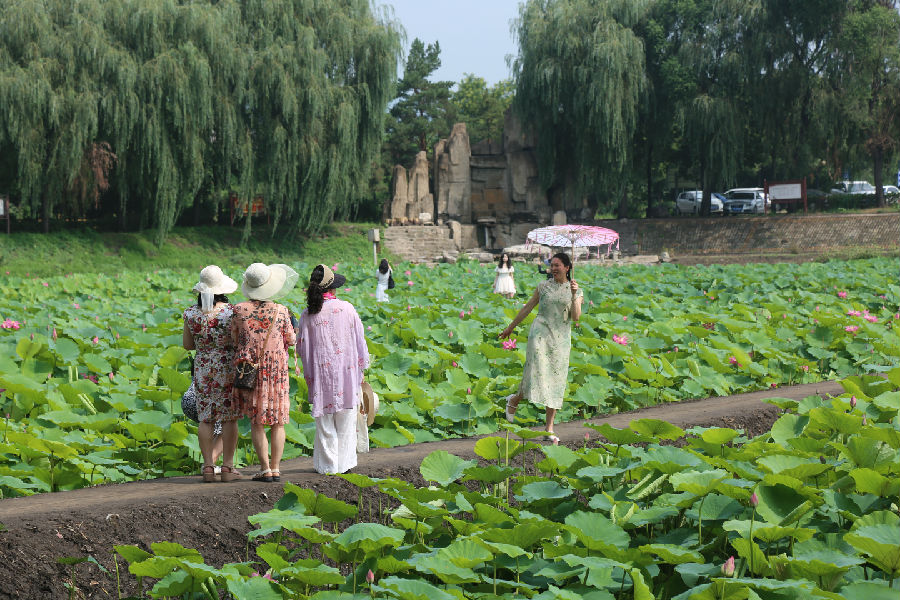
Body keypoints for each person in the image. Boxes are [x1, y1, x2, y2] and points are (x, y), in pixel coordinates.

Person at [499, 252, 583, 445]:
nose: (553, 268)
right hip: (540, 333)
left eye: (557, 265)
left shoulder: (576, 291)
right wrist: (510, 328)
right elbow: (527, 308)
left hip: (561, 338)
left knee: (556, 379)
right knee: (534, 371)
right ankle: (516, 399)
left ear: (567, 268)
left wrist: (573, 294)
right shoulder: (543, 287)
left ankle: (549, 429)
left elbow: (576, 317)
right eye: (552, 265)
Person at [298, 264, 370, 474]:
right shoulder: (347, 308)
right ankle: (345, 464)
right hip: (346, 372)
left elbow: (302, 348)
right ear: (332, 288)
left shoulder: (307, 314)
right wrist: (361, 366)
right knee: (346, 420)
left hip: (320, 375)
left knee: (325, 422)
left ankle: (328, 466)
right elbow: (360, 341)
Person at [230, 263, 298, 482]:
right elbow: (291, 340)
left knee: (256, 422)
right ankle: (277, 468)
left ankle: (265, 469)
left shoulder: (239, 310)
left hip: (251, 369)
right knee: (278, 422)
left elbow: (234, 339)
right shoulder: (281, 311)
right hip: (277, 370)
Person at [182, 265, 241, 482]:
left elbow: (188, 345)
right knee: (229, 418)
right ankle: (227, 467)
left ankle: (208, 467)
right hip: (227, 366)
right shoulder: (231, 312)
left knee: (205, 419)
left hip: (203, 368)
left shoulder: (190, 313)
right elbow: (237, 342)